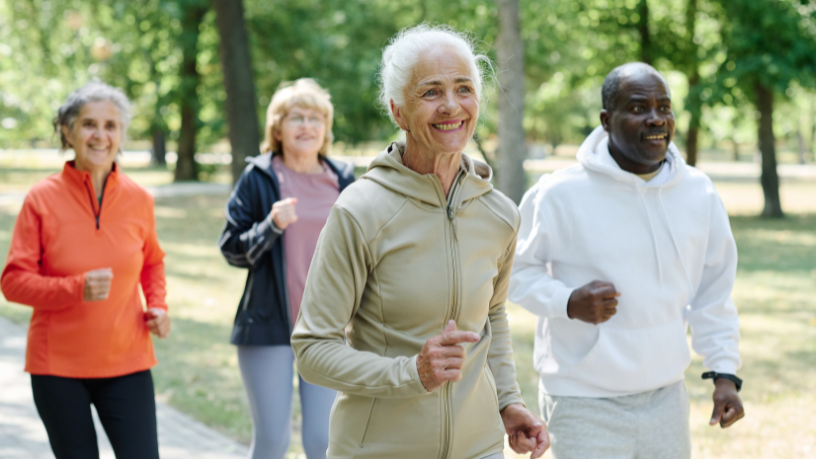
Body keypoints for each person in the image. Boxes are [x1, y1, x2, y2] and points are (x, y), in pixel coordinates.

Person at [291, 25, 550, 459]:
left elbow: (492, 316)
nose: (451, 105)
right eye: (430, 92)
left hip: (479, 448)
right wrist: (411, 372)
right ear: (398, 111)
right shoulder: (361, 211)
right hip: (377, 450)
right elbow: (313, 350)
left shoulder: (499, 213)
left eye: (463, 88)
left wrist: (508, 401)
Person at [509, 62, 745, 459]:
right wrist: (567, 301)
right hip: (583, 400)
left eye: (664, 107)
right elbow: (514, 273)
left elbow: (713, 292)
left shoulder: (698, 193)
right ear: (606, 120)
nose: (656, 119)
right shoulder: (557, 193)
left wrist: (724, 374)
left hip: (666, 396)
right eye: (638, 108)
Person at [0, 81, 170, 459]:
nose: (100, 135)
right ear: (68, 130)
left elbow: (152, 261)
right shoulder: (41, 198)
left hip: (128, 362)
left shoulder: (139, 199)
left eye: (111, 126)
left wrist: (158, 305)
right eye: (89, 124)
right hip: (57, 368)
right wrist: (74, 288)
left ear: (121, 134)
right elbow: (12, 283)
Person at [218, 78, 355, 459]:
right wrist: (270, 226)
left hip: (328, 329)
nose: (307, 126)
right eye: (297, 117)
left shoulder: (343, 180)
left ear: (326, 127)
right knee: (272, 442)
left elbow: (367, 251)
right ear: (278, 128)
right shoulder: (261, 177)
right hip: (268, 326)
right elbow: (231, 248)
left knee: (323, 442)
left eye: (316, 117)